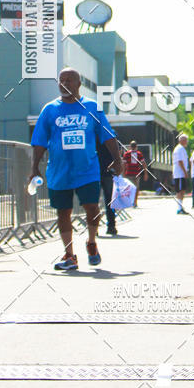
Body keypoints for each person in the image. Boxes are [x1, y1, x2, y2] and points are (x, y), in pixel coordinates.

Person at [30, 68, 122, 271]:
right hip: (59, 172)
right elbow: (39, 141)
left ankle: (91, 242)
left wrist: (117, 159)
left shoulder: (91, 107)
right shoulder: (50, 109)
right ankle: (70, 255)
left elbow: (107, 134)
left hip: (87, 169)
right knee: (63, 212)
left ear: (79, 84)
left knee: (92, 207)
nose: (64, 83)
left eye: (69, 80)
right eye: (61, 80)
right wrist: (34, 167)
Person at [97, 139, 118, 236]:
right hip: (108, 171)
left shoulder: (90, 132)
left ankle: (94, 226)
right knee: (109, 200)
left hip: (94, 172)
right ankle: (111, 226)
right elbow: (117, 150)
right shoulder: (109, 133)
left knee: (93, 201)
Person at [122, 140, 148, 208]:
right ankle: (135, 202)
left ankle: (129, 202)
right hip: (136, 173)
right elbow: (144, 164)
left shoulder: (126, 154)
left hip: (128, 174)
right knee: (136, 188)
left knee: (128, 188)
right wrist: (145, 173)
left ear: (130, 146)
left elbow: (124, 165)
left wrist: (123, 173)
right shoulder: (139, 154)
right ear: (136, 146)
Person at [172, 133, 189, 215]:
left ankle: (181, 207)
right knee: (179, 190)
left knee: (182, 190)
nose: (187, 142)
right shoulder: (179, 149)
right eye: (186, 140)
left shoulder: (182, 149)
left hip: (181, 173)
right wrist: (185, 172)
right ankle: (179, 208)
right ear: (182, 140)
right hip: (179, 173)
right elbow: (180, 161)